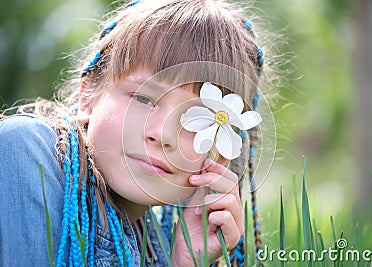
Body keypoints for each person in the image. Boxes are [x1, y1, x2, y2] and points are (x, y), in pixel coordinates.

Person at [0, 0, 272, 266]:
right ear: (87, 97)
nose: (163, 134)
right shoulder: (26, 150)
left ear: (222, 148)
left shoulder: (161, 243)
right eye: (142, 99)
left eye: (196, 119)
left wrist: (184, 261)